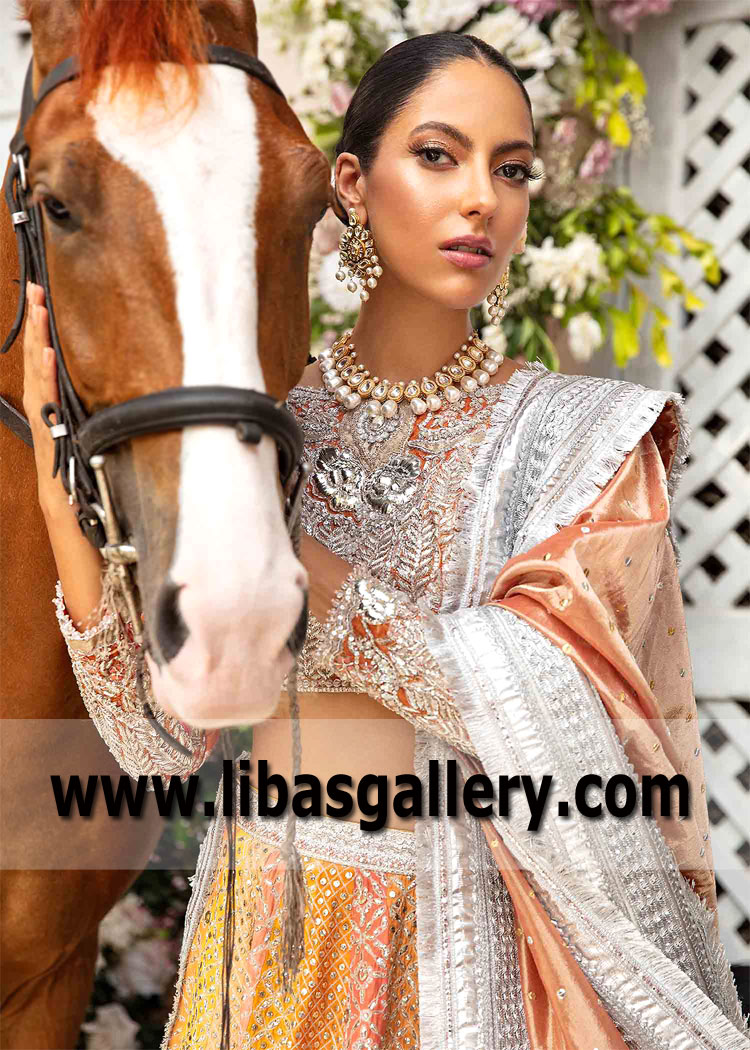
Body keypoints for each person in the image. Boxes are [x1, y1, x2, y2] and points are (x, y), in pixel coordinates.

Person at [25, 32, 747, 1050]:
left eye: (512, 170)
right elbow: (156, 749)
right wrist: (62, 507)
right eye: (439, 156)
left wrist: (310, 579)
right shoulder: (266, 432)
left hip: (453, 964)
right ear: (352, 185)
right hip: (258, 949)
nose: (481, 199)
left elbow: (581, 721)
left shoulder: (583, 444)